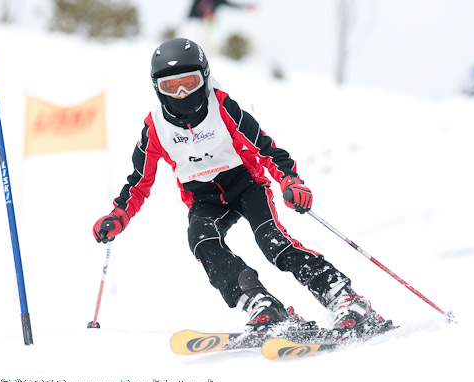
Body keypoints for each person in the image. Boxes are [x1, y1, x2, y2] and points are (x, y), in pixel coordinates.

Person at [92, 38, 392, 338]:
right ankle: (260, 304)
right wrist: (120, 215)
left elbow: (266, 149)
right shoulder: (155, 127)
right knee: (202, 241)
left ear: (205, 77)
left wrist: (290, 180)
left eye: (190, 83)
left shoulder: (222, 107)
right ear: (157, 88)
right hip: (203, 197)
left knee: (271, 242)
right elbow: (138, 181)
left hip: (246, 184)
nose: (183, 93)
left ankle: (343, 297)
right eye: (172, 87)